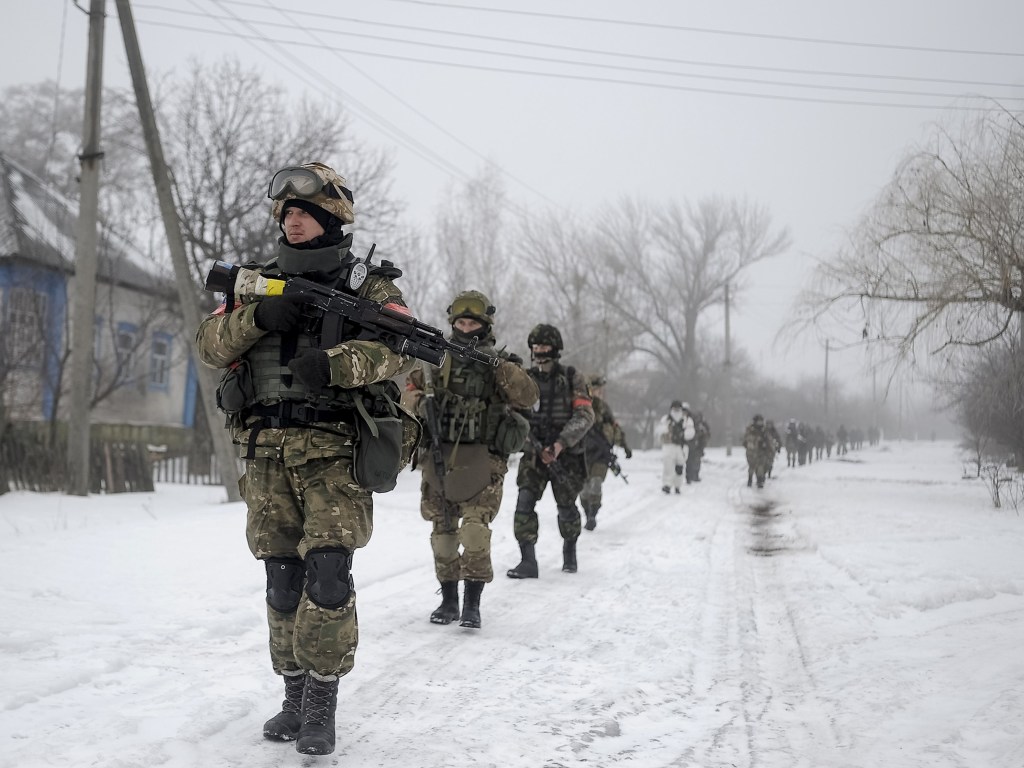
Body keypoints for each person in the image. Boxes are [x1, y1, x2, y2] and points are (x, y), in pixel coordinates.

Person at [195, 162, 416, 756]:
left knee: (327, 573)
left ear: (330, 219)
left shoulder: (369, 288)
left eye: (304, 214)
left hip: (332, 455)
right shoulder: (259, 282)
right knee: (281, 576)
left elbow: (398, 351)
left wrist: (339, 365)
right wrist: (257, 318)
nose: (291, 223)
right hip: (265, 450)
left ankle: (322, 700)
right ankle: (292, 695)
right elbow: (209, 345)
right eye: (286, 214)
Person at [403, 291, 538, 629]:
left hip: (484, 458)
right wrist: (421, 404)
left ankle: (472, 604)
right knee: (444, 534)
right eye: (461, 322)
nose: (466, 327)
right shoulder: (437, 357)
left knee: (475, 532)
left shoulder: (498, 363)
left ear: (484, 324)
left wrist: (499, 365)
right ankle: (449, 600)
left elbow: (529, 396)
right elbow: (408, 392)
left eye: (472, 321)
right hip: (441, 455)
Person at [507, 324, 595, 577]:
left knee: (566, 506)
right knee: (524, 503)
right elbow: (512, 413)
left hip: (565, 456)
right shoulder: (525, 378)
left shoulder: (571, 377)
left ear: (555, 349)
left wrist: (560, 444)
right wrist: (528, 441)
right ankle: (528, 561)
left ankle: (570, 551)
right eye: (535, 347)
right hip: (534, 453)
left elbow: (585, 414)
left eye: (544, 347)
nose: (539, 351)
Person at [578, 374, 632, 531]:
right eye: (596, 389)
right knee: (583, 488)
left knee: (595, 483)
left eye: (600, 390)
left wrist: (625, 446)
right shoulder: (579, 405)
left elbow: (614, 427)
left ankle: (592, 515)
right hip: (582, 453)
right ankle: (587, 511)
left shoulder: (603, 408)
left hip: (600, 455)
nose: (599, 393)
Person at [658, 400, 695, 494]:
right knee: (668, 466)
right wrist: (668, 434)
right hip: (669, 445)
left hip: (681, 446)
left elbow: (691, 432)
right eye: (674, 408)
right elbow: (660, 431)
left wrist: (682, 435)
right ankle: (667, 485)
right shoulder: (666, 419)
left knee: (679, 467)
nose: (676, 410)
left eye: (678, 408)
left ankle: (677, 486)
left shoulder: (686, 420)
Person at [744, 413, 774, 488]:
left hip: (761, 452)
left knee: (761, 466)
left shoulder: (764, 430)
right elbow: (745, 441)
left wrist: (769, 448)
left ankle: (759, 480)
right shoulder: (750, 430)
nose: (760, 423)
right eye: (759, 421)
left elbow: (769, 440)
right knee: (752, 466)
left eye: (761, 421)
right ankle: (750, 479)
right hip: (751, 452)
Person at [685, 410, 710, 483]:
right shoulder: (699, 425)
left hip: (695, 445)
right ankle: (694, 475)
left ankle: (692, 475)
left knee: (692, 461)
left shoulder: (697, 424)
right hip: (696, 445)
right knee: (694, 461)